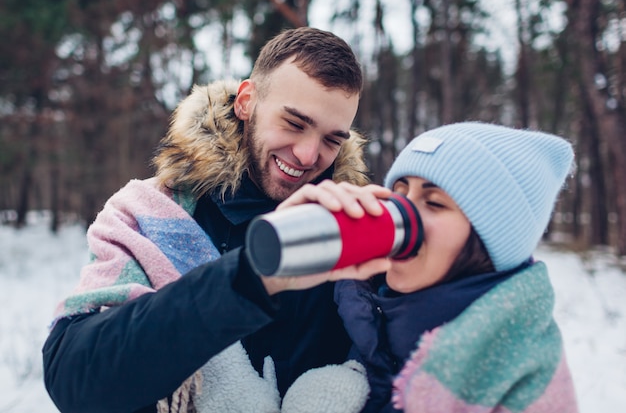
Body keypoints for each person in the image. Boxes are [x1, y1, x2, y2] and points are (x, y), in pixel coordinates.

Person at [42, 27, 391, 413]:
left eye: (332, 140)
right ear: (246, 102)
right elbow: (75, 379)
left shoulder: (354, 235)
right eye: (294, 123)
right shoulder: (152, 214)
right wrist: (250, 277)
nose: (309, 155)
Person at [332, 122, 580, 412]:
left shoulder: (525, 386)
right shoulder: (360, 311)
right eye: (399, 195)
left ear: (487, 241)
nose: (398, 216)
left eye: (434, 203)